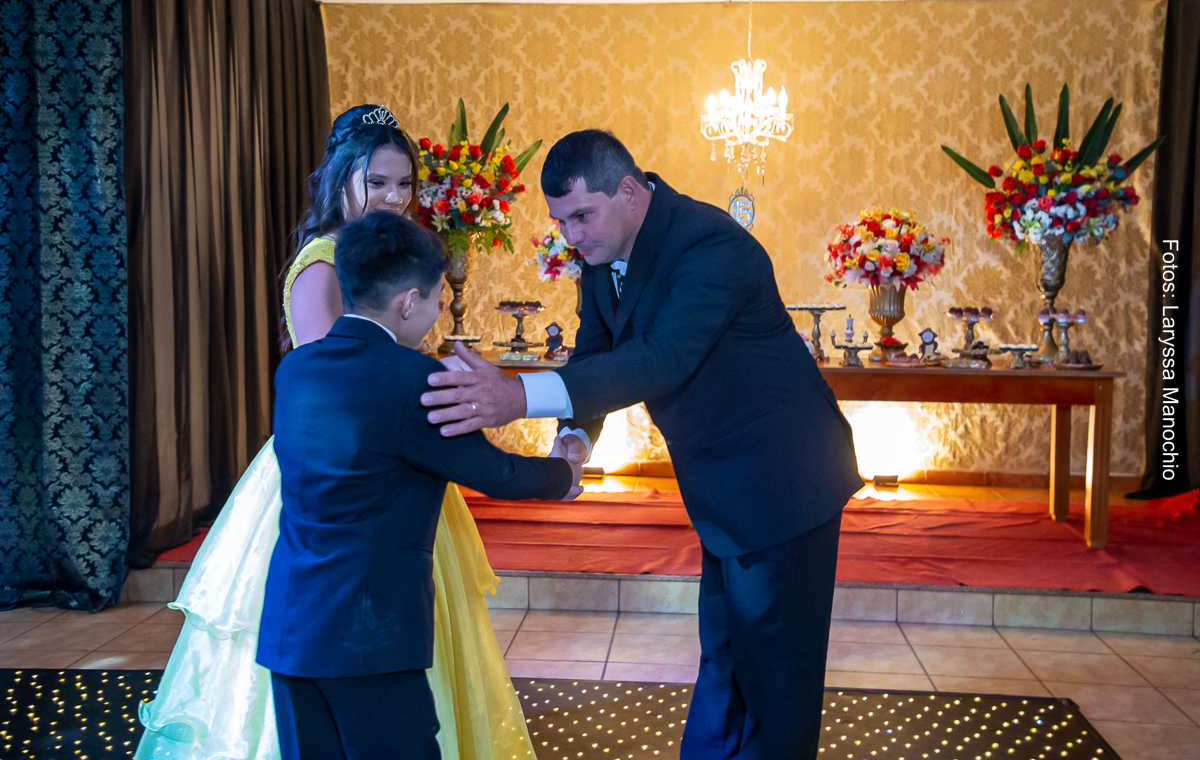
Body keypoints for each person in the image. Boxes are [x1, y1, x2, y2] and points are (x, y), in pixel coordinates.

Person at [420, 130, 861, 760]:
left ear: (628, 191)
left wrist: (516, 397)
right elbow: (596, 353)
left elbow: (661, 359)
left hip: (784, 481)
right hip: (723, 485)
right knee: (727, 658)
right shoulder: (604, 256)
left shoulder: (710, 244)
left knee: (775, 673)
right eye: (560, 221)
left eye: (581, 216)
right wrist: (573, 442)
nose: (570, 235)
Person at [136, 105, 540, 760]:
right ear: (341, 179)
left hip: (392, 463)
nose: (394, 197)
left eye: (404, 184)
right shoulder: (325, 261)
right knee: (352, 635)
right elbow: (342, 385)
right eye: (377, 182)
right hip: (343, 468)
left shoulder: (384, 259)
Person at [259, 211, 583, 760]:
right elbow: (496, 473)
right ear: (409, 302)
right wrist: (565, 473)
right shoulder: (415, 380)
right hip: (370, 636)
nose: (435, 311)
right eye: (435, 298)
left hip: (291, 629)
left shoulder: (296, 369)